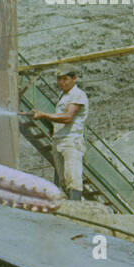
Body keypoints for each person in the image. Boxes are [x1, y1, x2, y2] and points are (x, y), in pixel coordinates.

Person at [33, 69, 89, 201]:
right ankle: (67, 207)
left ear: (74, 78)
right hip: (59, 140)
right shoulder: (63, 96)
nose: (61, 82)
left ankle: (76, 207)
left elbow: (68, 117)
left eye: (65, 79)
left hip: (71, 140)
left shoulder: (77, 94)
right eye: (59, 79)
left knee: (72, 176)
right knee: (63, 178)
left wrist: (43, 115)